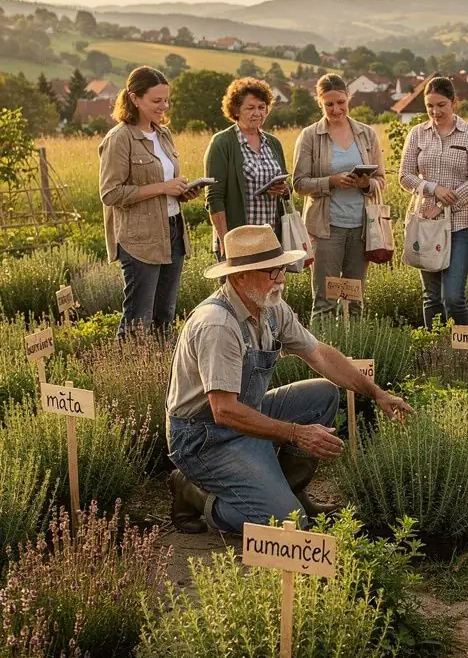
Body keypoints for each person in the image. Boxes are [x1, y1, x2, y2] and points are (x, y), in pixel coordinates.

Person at [166, 224, 412, 533]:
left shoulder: (270, 308)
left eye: (281, 268)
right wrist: (296, 433)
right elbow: (223, 411)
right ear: (240, 276)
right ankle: (194, 491)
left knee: (323, 393)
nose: (281, 278)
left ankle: (288, 490)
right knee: (287, 524)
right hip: (204, 437)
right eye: (271, 272)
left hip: (245, 416)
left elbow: (320, 354)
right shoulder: (218, 325)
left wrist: (377, 393)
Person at [99, 66, 191, 338]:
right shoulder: (119, 139)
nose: (164, 106)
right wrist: (163, 187)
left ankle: (162, 375)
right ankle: (125, 375)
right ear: (134, 98)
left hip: (173, 231)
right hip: (140, 238)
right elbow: (110, 193)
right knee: (138, 320)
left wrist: (181, 190)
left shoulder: (163, 135)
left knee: (165, 314)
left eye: (166, 100)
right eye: (156, 101)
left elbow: (165, 185)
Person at [293, 73, 385, 319]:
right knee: (325, 301)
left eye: (340, 103)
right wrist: (331, 182)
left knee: (355, 301)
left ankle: (353, 356)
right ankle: (321, 357)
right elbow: (299, 184)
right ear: (319, 103)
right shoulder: (310, 136)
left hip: (361, 228)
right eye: (329, 104)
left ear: (348, 99)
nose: (336, 109)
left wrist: (366, 184)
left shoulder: (367, 134)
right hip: (326, 229)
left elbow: (382, 181)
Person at [398, 75, 468, 328]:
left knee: (453, 297)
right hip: (426, 222)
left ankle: (464, 353)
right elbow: (405, 176)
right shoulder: (417, 134)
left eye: (441, 105)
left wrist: (445, 204)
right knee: (431, 297)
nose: (435, 112)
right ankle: (435, 354)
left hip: (461, 223)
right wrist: (432, 188)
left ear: (454, 102)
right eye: (430, 106)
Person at [204, 77, 289, 252]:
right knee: (241, 281)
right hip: (239, 239)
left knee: (273, 280)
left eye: (261, 107)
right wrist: (225, 241)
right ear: (236, 110)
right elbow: (214, 197)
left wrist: (284, 189)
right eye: (250, 108)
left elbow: (288, 188)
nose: (257, 113)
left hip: (272, 236)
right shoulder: (222, 143)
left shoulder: (273, 143)